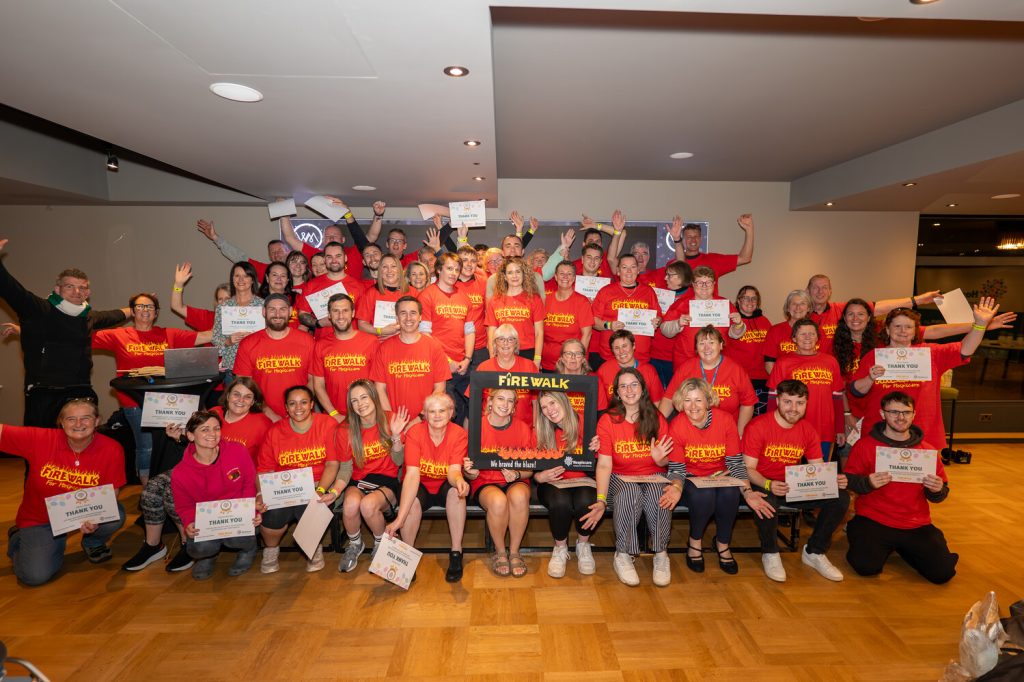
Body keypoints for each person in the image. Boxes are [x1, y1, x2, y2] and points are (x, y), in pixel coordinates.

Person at [0, 239, 129, 427]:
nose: (77, 291)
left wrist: (136, 308)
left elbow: (113, 315)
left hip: (80, 390)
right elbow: (12, 290)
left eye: (82, 287)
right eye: (70, 286)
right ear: (57, 289)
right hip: (44, 392)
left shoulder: (88, 317)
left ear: (88, 292)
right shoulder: (39, 309)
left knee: (81, 445)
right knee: (40, 446)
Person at [2, 398, 126, 586]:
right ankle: (19, 538)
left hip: (84, 514)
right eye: (71, 419)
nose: (78, 424)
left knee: (115, 515)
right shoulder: (40, 439)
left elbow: (111, 493)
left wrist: (95, 519)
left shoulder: (112, 448)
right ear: (61, 422)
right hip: (40, 519)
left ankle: (92, 542)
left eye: (86, 418)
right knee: (35, 576)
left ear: (97, 420)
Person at [849, 298, 1000, 450]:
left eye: (908, 327)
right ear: (887, 330)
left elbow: (965, 349)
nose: (902, 331)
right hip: (880, 433)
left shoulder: (930, 354)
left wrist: (980, 325)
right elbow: (856, 391)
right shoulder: (875, 356)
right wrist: (870, 378)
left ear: (915, 331)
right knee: (880, 474)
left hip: (922, 435)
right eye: (897, 326)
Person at [742, 379, 851, 582]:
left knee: (840, 498)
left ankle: (815, 552)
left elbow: (817, 467)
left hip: (794, 486)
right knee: (767, 501)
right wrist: (768, 484)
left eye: (799, 403)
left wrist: (831, 480)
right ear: (778, 401)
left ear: (806, 404)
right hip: (764, 482)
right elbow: (747, 469)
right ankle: (770, 552)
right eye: (788, 402)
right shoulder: (758, 426)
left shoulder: (808, 430)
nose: (793, 408)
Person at [92, 292, 206, 483]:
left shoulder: (168, 334)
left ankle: (172, 487)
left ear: (156, 313)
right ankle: (147, 491)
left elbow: (202, 337)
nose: (145, 310)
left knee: (169, 444)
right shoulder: (119, 335)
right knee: (146, 446)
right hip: (133, 401)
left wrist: (232, 325)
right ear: (132, 311)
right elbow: (83, 331)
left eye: (150, 307)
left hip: (166, 401)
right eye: (140, 307)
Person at [661, 378, 770, 577]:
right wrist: (676, 487)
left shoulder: (725, 420)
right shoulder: (677, 424)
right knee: (704, 495)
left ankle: (723, 544)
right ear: (680, 403)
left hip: (722, 477)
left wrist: (748, 492)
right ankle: (694, 543)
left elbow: (735, 463)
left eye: (698, 400)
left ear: (708, 400)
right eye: (687, 400)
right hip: (691, 479)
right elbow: (676, 468)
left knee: (730, 492)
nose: (693, 406)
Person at [844, 391, 957, 583]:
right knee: (866, 567)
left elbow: (940, 494)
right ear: (882, 414)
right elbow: (849, 480)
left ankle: (904, 548)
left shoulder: (927, 451)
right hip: (874, 519)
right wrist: (868, 483)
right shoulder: (866, 445)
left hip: (915, 523)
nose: (900, 417)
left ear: (914, 414)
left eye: (906, 412)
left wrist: (937, 489)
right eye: (894, 412)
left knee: (943, 573)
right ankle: (861, 533)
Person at [581, 368, 673, 586]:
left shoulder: (657, 418)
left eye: (634, 384)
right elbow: (604, 464)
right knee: (630, 492)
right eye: (623, 386)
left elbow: (666, 463)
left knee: (657, 494)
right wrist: (601, 499)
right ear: (617, 392)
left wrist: (660, 459)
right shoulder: (608, 421)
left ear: (642, 389)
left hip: (653, 475)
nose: (629, 390)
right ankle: (622, 553)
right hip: (620, 477)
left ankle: (661, 553)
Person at [257, 385, 349, 573]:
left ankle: (313, 549)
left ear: (312, 404)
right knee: (271, 514)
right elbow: (264, 469)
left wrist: (320, 490)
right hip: (284, 486)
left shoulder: (327, 425)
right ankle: (271, 550)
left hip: (319, 483)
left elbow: (333, 464)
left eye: (304, 402)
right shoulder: (275, 431)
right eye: (292, 403)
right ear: (286, 408)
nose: (298, 408)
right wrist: (262, 493)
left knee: (310, 506)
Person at [384, 393, 470, 583]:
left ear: (451, 413)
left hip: (444, 485)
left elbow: (454, 470)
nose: (437, 415)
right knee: (412, 502)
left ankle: (456, 552)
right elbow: (412, 475)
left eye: (442, 410)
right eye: (432, 411)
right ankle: (406, 555)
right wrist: (399, 520)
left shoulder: (459, 434)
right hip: (419, 484)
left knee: (457, 493)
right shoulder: (415, 432)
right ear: (424, 414)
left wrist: (459, 481)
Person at [170, 410, 262, 580]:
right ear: (190, 436)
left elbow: (249, 485)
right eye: (205, 429)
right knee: (199, 549)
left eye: (216, 428)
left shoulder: (237, 451)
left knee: (240, 538)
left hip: (237, 517)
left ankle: (248, 550)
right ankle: (207, 557)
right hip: (209, 523)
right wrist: (189, 521)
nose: (212, 434)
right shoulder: (180, 473)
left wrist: (252, 511)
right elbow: (183, 506)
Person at [336, 380, 409, 573]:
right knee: (350, 505)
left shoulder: (390, 419)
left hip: (387, 479)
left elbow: (399, 461)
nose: (360, 404)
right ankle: (355, 544)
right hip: (360, 480)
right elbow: (345, 469)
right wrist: (333, 492)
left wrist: (395, 436)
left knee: (367, 505)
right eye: (354, 401)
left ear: (373, 397)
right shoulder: (345, 430)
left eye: (364, 397)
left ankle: (379, 543)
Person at [462, 388, 533, 577]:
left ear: (514, 407)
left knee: (519, 496)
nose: (505, 404)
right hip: (485, 480)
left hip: (514, 479)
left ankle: (515, 552)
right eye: (500, 399)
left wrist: (517, 474)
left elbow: (530, 470)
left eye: (510, 401)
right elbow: (468, 473)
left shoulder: (522, 428)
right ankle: (500, 551)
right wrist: (469, 472)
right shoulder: (476, 427)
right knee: (498, 501)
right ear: (490, 402)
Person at [533, 391, 601, 578]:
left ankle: (583, 545)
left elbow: (601, 463)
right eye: (544, 407)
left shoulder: (586, 422)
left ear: (564, 401)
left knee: (585, 501)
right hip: (553, 483)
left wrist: (598, 449)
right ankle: (560, 548)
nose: (549, 410)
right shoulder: (542, 429)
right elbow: (532, 470)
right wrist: (541, 476)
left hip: (584, 479)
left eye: (552, 403)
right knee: (561, 503)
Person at [767, 319, 845, 461]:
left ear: (817, 337)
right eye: (802, 334)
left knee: (818, 477)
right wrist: (772, 428)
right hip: (791, 429)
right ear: (794, 338)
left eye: (811, 334)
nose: (808, 337)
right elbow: (773, 399)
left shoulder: (831, 362)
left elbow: (838, 398)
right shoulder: (783, 363)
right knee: (790, 477)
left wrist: (840, 428)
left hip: (824, 430)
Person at [660, 326, 756, 437]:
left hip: (726, 433)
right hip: (691, 432)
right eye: (701, 343)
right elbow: (668, 398)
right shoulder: (686, 369)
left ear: (720, 345)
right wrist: (658, 426)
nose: (707, 348)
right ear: (696, 348)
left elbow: (748, 403)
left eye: (711, 342)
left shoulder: (736, 370)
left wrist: (739, 435)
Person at [233, 294, 315, 421]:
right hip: (261, 416)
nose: (277, 314)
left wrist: (299, 409)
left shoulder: (307, 341)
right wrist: (268, 412)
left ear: (290, 312)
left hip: (301, 415)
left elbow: (314, 381)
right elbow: (245, 386)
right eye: (272, 309)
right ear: (264, 312)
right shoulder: (248, 344)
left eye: (282, 309)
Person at [806, 274, 939, 349]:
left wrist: (918, 300)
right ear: (807, 291)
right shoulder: (801, 315)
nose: (820, 292)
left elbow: (880, 307)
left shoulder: (843, 309)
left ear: (830, 292)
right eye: (815, 287)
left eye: (824, 287)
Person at [371, 296, 451, 418]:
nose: (408, 318)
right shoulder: (384, 349)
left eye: (413, 313)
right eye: (403, 313)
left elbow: (440, 389)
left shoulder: (434, 346)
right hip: (394, 424)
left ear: (420, 317)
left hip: (426, 421)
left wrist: (420, 418)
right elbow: (380, 389)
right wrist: (391, 419)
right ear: (397, 318)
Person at [418, 253, 475, 424]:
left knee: (474, 408)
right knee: (448, 413)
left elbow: (470, 330)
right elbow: (424, 335)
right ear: (438, 270)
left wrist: (467, 359)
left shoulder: (464, 297)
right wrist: (446, 360)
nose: (453, 273)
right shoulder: (427, 295)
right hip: (439, 366)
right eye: (449, 268)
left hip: (463, 366)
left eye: (457, 270)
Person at [660, 265, 745, 369]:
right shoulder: (681, 304)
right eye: (699, 282)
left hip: (718, 364)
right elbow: (665, 330)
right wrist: (678, 323)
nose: (704, 286)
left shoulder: (725, 305)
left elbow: (734, 335)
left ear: (714, 284)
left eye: (708, 282)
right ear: (693, 284)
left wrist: (738, 325)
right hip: (686, 363)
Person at [311, 293, 377, 421]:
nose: (341, 316)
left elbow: (378, 384)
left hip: (366, 415)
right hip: (334, 416)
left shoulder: (371, 342)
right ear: (329, 315)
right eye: (335, 311)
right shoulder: (320, 345)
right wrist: (334, 414)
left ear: (353, 313)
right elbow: (318, 385)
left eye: (345, 310)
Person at [591, 253, 662, 367]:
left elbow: (658, 316)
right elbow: (593, 320)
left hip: (640, 357)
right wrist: (609, 325)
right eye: (624, 267)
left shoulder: (648, 291)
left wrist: (657, 321)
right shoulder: (606, 291)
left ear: (638, 270)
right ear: (618, 271)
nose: (629, 271)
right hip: (611, 356)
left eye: (633, 267)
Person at [472, 324, 538, 426]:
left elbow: (536, 402)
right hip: (491, 429)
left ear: (516, 344)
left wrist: (535, 428)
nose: (506, 343)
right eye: (501, 339)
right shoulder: (484, 368)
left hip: (525, 429)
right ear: (494, 344)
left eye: (510, 339)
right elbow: (474, 403)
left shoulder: (529, 366)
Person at [486, 256, 545, 367]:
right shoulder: (495, 300)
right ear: (504, 276)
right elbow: (491, 333)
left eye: (518, 272)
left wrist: (537, 359)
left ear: (524, 274)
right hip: (502, 352)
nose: (514, 276)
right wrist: (492, 358)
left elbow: (539, 332)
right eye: (510, 272)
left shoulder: (534, 298)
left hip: (527, 352)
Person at [297, 242, 365, 330]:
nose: (334, 260)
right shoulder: (311, 285)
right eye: (329, 257)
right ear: (325, 260)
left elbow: (364, 319)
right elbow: (302, 314)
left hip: (351, 341)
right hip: (323, 341)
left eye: (338, 256)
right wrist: (319, 323)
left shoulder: (358, 286)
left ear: (345, 258)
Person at [540, 261, 594, 372]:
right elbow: (538, 332)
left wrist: (578, 361)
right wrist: (537, 358)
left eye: (569, 274)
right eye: (561, 273)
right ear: (555, 276)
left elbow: (587, 334)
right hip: (547, 364)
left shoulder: (582, 302)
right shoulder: (545, 301)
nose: (565, 277)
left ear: (574, 278)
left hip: (572, 366)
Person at [211, 261, 263, 374]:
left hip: (258, 366)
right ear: (232, 278)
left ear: (253, 279)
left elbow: (272, 336)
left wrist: (255, 338)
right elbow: (215, 339)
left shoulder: (263, 306)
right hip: (231, 367)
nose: (241, 280)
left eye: (246, 276)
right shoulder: (223, 308)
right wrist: (228, 341)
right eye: (237, 276)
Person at [728, 285, 772, 415]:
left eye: (754, 298)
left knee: (759, 419)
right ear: (739, 300)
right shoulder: (730, 322)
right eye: (746, 298)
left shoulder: (764, 321)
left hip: (761, 378)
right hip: (739, 379)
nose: (750, 302)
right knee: (739, 418)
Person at [649, 260, 693, 387]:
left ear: (681, 277)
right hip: (653, 353)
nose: (665, 278)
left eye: (669, 275)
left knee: (674, 396)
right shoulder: (660, 293)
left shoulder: (693, 300)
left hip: (675, 358)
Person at [675, 214, 754, 285]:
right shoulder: (674, 265)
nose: (693, 240)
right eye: (689, 237)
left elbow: (745, 258)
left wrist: (749, 230)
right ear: (683, 240)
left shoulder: (713, 260)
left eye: (696, 236)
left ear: (701, 239)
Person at [597, 330, 664, 405]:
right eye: (616, 348)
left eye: (624, 346)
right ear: (612, 351)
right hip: (614, 414)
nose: (621, 351)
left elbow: (657, 403)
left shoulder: (649, 370)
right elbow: (600, 404)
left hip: (643, 414)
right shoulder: (604, 370)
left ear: (633, 345)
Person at [355, 253, 409, 340]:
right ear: (380, 271)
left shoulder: (412, 292)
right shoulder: (370, 293)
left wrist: (399, 333)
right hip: (379, 344)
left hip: (405, 343)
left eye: (393, 266)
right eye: (385, 267)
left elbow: (420, 322)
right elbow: (361, 325)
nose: (389, 270)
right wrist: (380, 331)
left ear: (399, 269)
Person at [454, 245, 489, 371]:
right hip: (456, 347)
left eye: (473, 261)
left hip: (480, 347)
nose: (469, 264)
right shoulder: (449, 282)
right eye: (464, 260)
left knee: (478, 389)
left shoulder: (484, 282)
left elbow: (489, 313)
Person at [763, 289, 813, 374]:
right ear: (787, 308)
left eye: (802, 304)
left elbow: (821, 360)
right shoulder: (775, 331)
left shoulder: (816, 331)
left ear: (808, 308)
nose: (798, 307)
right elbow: (769, 364)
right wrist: (783, 385)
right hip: (784, 383)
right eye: (794, 304)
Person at [170, 262, 230, 333]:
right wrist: (178, 284)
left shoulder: (244, 318)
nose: (223, 303)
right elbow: (177, 307)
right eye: (220, 299)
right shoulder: (208, 318)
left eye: (227, 299)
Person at [555, 338, 607, 416]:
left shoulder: (594, 380)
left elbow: (601, 412)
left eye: (578, 353)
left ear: (583, 358)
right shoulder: (554, 381)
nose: (573, 357)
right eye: (568, 354)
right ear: (562, 358)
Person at [257, 262, 299, 328]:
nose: (279, 279)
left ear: (288, 280)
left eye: (283, 276)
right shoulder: (256, 300)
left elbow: (304, 325)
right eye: (274, 275)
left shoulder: (297, 298)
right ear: (267, 278)